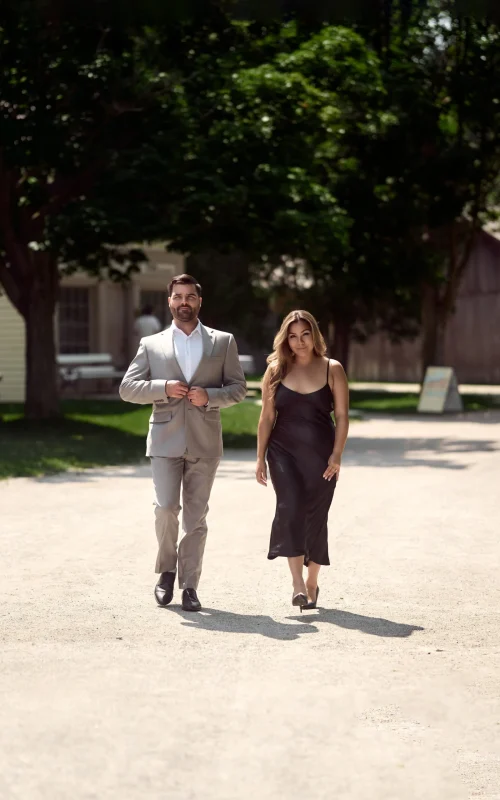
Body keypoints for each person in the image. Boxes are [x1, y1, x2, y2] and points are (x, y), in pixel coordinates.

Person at [120, 274, 247, 612]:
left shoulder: (223, 342)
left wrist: (210, 396)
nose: (184, 302)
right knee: (165, 509)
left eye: (190, 296)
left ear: (199, 302)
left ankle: (190, 585)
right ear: (169, 302)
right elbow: (127, 388)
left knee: (195, 520)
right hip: (164, 440)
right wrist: (162, 387)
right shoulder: (152, 344)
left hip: (205, 442)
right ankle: (166, 570)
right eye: (178, 297)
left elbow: (238, 389)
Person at [255, 310, 349, 610]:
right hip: (283, 452)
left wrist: (336, 455)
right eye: (293, 336)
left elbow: (343, 416)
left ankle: (312, 583)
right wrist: (260, 458)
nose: (299, 342)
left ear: (314, 335)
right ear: (286, 339)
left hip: (322, 456)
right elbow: (267, 417)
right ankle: (297, 584)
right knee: (290, 507)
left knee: (315, 517)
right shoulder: (275, 370)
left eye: (305, 334)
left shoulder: (332, 369)